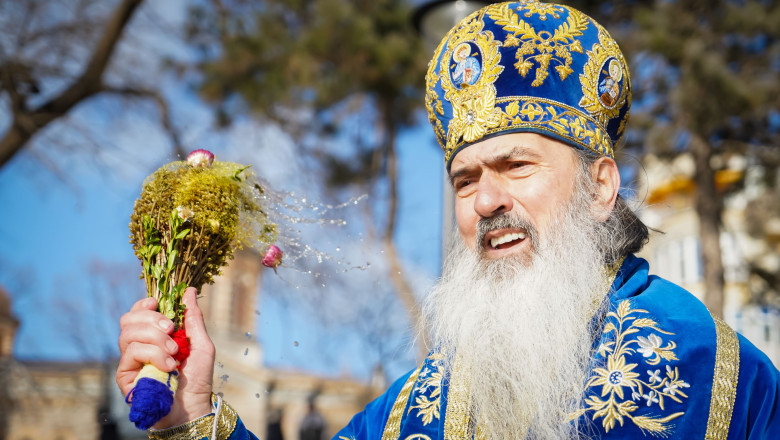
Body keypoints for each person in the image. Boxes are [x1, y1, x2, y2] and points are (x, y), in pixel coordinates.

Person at [116, 1, 780, 439]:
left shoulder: (716, 372)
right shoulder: (418, 404)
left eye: (516, 165)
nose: (486, 201)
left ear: (600, 186)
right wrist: (191, 414)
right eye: (466, 180)